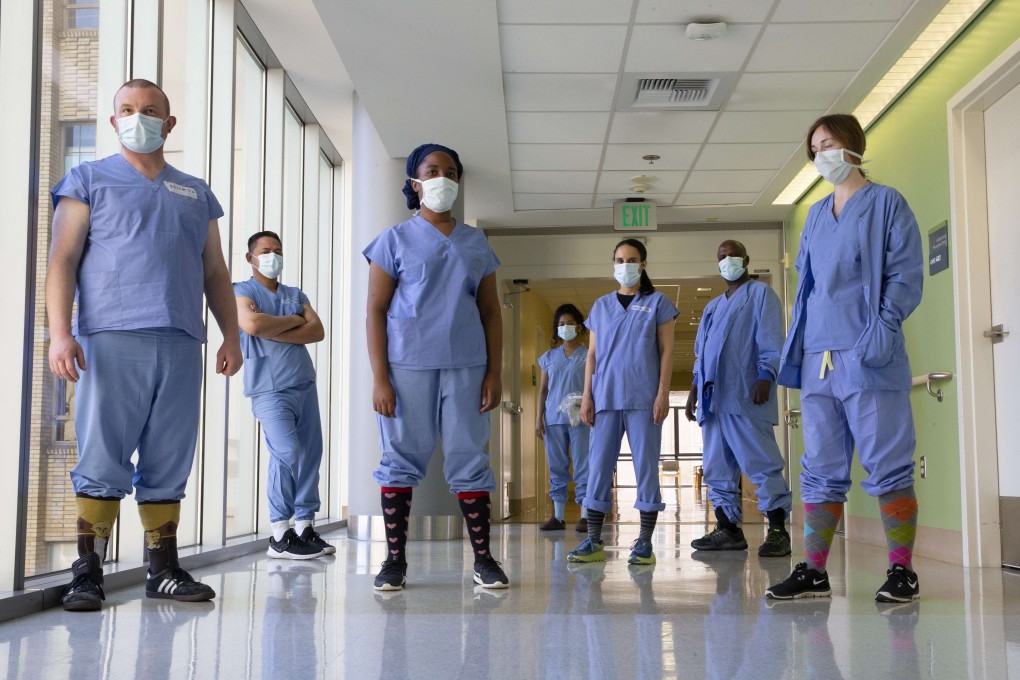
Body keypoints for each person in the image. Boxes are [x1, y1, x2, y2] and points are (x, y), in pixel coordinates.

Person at [47, 79, 242, 611]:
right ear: (113, 122)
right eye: (128, 110)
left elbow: (215, 270)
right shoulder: (89, 179)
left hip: (180, 337)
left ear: (169, 123)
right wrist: (60, 332)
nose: (140, 117)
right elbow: (63, 258)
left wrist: (231, 334)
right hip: (110, 336)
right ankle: (87, 572)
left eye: (150, 110)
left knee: (170, 454)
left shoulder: (195, 192)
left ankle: (164, 570)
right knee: (103, 451)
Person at [766, 114, 923, 602]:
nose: (821, 155)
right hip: (818, 357)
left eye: (828, 143)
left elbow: (904, 276)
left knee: (888, 464)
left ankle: (902, 572)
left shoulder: (886, 203)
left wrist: (880, 331)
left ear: (852, 146)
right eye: (814, 149)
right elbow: (811, 287)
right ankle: (814, 570)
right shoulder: (814, 215)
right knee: (820, 466)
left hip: (867, 353)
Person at [364, 143, 508, 591]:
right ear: (414, 181)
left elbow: (490, 313)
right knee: (400, 458)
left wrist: (495, 372)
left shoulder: (476, 241)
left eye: (449, 171)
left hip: (467, 363)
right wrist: (380, 378)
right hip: (408, 365)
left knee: (470, 458)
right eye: (431, 170)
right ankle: (394, 562)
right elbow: (375, 310)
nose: (441, 177)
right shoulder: (393, 240)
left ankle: (484, 560)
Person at [567, 239, 678, 565]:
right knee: (598, 468)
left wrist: (663, 393)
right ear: (613, 263)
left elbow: (668, 351)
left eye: (631, 259)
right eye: (619, 259)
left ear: (642, 264)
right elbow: (592, 355)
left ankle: (644, 543)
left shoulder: (658, 302)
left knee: (646, 468)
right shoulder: (601, 306)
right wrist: (587, 396)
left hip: (644, 398)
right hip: (605, 398)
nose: (625, 264)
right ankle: (593, 541)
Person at [685, 240, 792, 557]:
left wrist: (766, 375)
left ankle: (777, 531)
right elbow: (701, 354)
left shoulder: (761, 295)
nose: (727, 260)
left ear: (746, 259)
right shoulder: (713, 306)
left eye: (733, 255)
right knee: (717, 467)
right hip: (712, 400)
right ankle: (728, 529)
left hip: (745, 394)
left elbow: (772, 340)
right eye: (722, 256)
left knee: (761, 464)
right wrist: (693, 389)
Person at [234, 231, 333, 560]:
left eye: (277, 250)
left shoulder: (295, 293)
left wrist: (275, 325)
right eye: (265, 251)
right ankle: (280, 532)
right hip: (268, 388)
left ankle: (305, 526)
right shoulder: (242, 291)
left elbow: (316, 331)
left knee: (310, 456)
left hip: (303, 383)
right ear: (251, 258)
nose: (272, 256)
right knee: (286, 452)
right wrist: (294, 322)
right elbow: (252, 325)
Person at [536, 304, 591, 533]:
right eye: (561, 324)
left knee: (583, 466)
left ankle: (586, 516)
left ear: (579, 326)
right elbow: (543, 390)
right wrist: (538, 418)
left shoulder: (589, 355)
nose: (565, 327)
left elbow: (594, 386)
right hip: (553, 419)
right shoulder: (549, 357)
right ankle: (558, 517)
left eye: (569, 323)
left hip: (581, 418)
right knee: (557, 466)